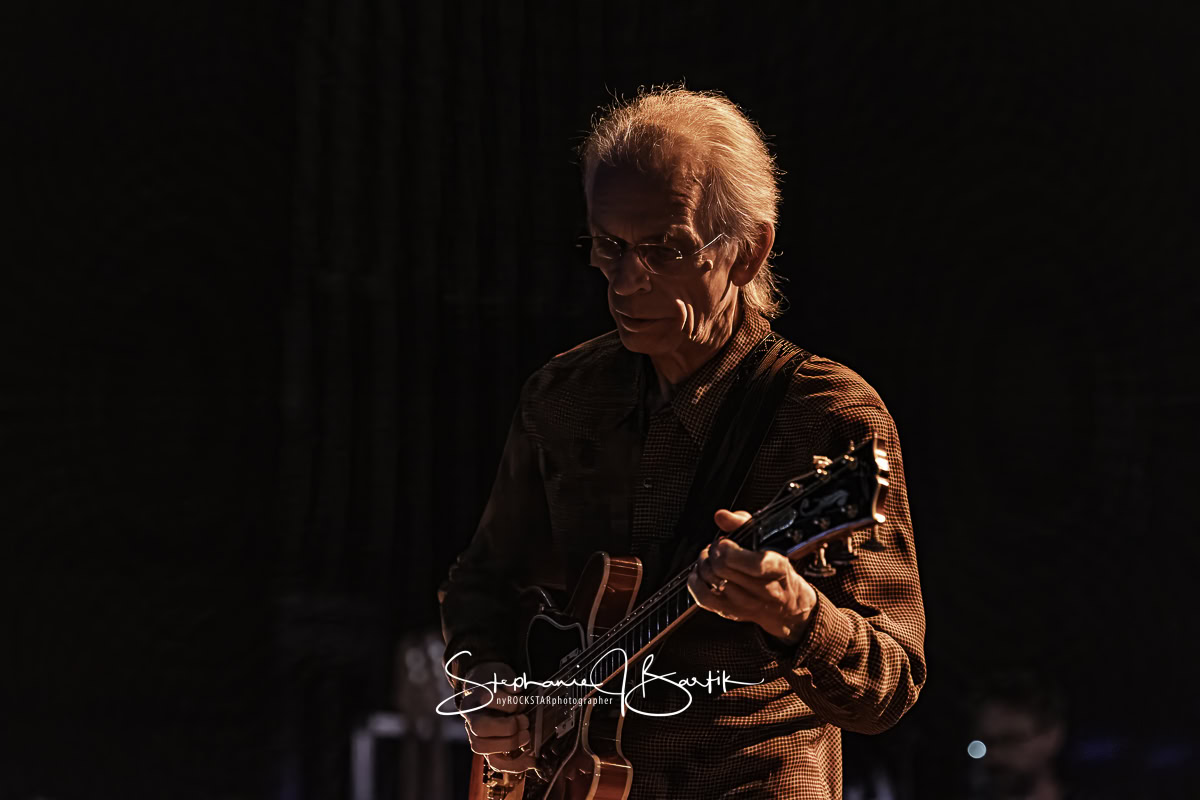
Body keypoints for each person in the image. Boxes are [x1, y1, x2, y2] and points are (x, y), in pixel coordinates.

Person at [439, 86, 927, 800]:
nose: (624, 281)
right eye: (608, 246)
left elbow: (891, 683)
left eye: (663, 249)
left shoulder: (827, 415)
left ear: (749, 251)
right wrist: (487, 682)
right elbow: (483, 582)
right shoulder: (563, 396)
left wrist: (796, 614)